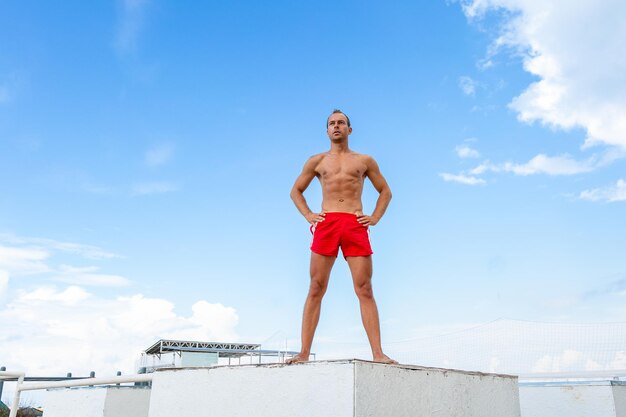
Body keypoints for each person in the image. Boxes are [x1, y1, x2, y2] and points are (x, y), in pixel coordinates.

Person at [287, 109, 397, 364]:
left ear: (349, 129)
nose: (336, 126)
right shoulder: (316, 161)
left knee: (365, 288)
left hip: (354, 223)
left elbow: (385, 191)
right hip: (327, 223)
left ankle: (378, 354)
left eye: (341, 123)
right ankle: (303, 353)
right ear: (327, 131)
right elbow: (296, 191)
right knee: (316, 287)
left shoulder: (365, 160)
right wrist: (308, 215)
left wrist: (375, 217)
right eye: (332, 123)